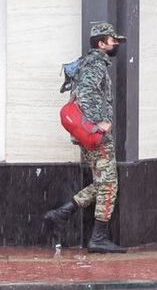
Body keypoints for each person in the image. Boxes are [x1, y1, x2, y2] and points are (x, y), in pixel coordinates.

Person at [43, 21, 127, 254]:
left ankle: (61, 214)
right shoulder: (96, 65)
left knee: (103, 182)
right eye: (113, 40)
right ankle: (97, 238)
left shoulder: (91, 63)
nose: (116, 44)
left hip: (90, 135)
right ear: (101, 44)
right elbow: (87, 95)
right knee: (109, 184)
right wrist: (98, 126)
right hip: (95, 136)